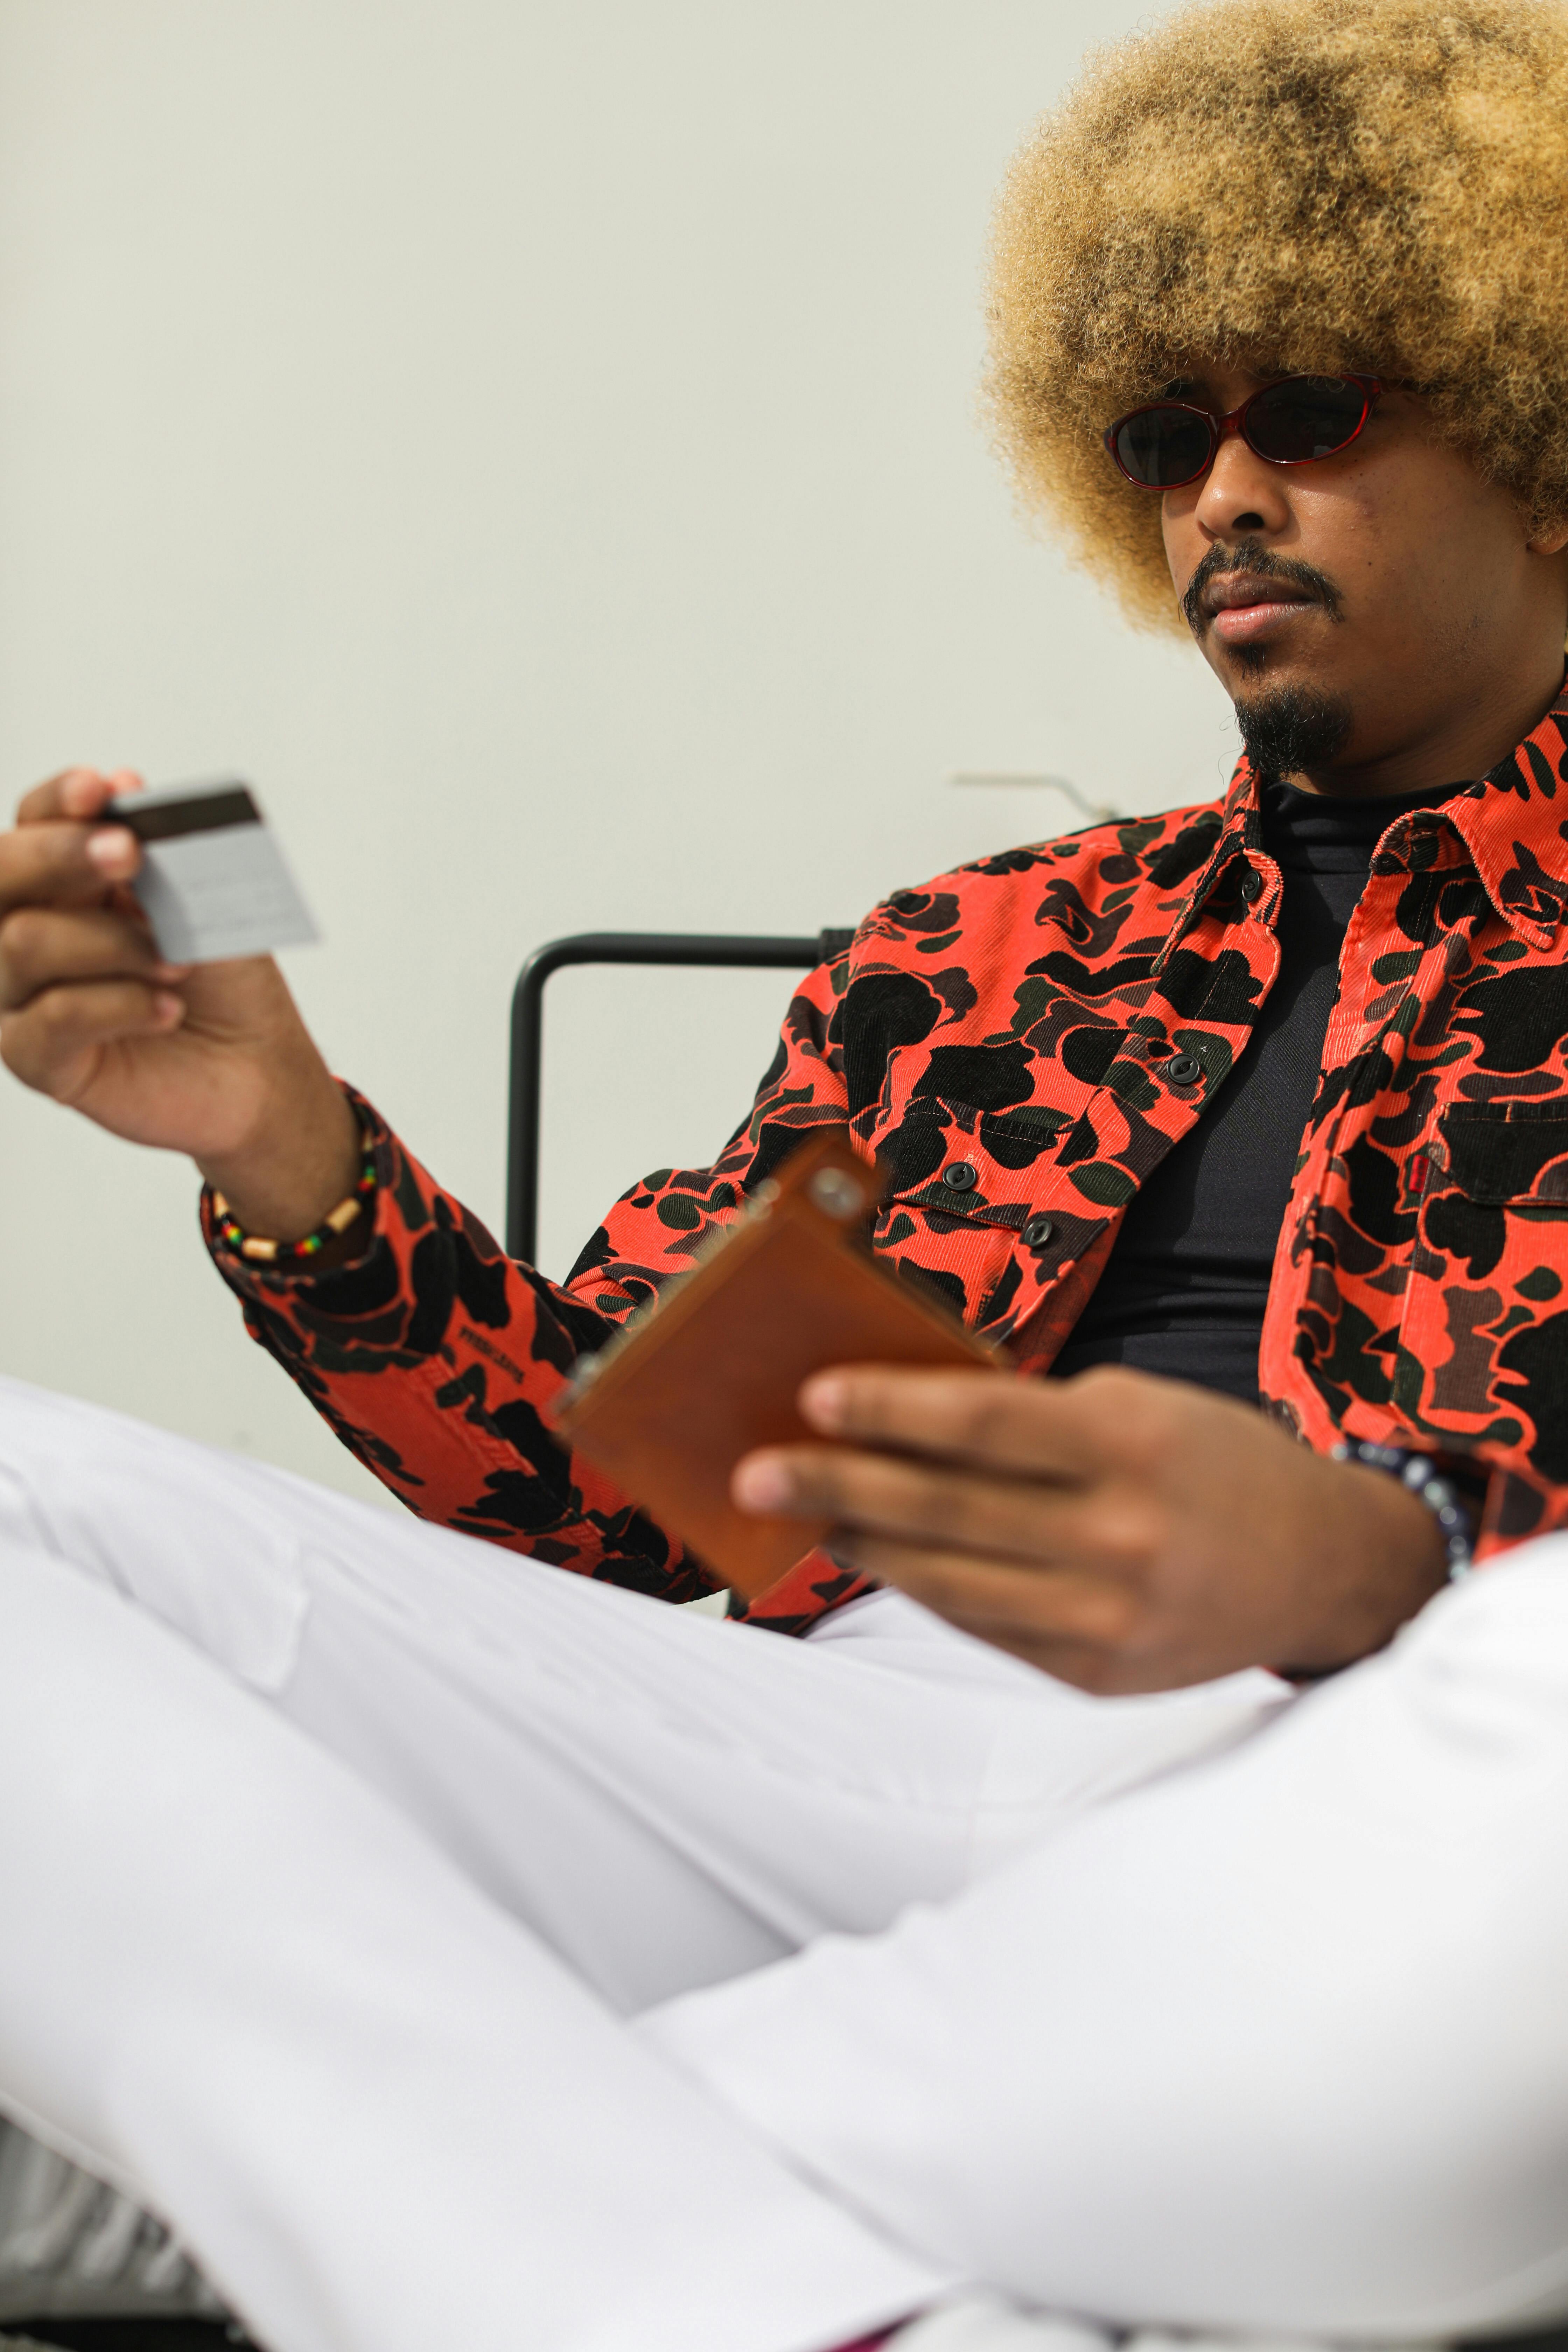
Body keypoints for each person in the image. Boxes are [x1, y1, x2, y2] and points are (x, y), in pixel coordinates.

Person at [4, 0, 1568, 2346]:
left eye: (1315, 410)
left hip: (1401, 1809)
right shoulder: (980, 961)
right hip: (827, 1761)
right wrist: (287, 1151)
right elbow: (618, 1501)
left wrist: (1378, 1561)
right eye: (1165, 436)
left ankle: (403, 2195)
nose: (1222, 497)